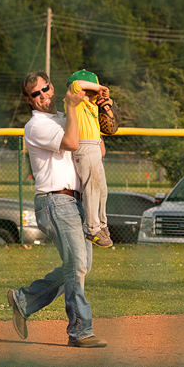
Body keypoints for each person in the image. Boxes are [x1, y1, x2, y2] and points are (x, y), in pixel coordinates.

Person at [5, 71, 106, 348]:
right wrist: (73, 108)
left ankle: (24, 300)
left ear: (52, 85)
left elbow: (99, 150)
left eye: (46, 88)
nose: (43, 96)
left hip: (77, 201)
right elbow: (73, 143)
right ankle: (80, 331)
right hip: (55, 201)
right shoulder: (36, 126)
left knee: (80, 266)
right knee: (77, 265)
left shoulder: (66, 116)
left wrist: (90, 112)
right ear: (29, 99)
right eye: (36, 93)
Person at [66, 69, 114, 247]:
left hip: (93, 147)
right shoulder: (74, 102)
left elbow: (101, 147)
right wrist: (99, 86)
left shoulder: (94, 106)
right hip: (84, 147)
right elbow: (75, 86)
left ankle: (101, 225)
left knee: (102, 190)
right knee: (92, 188)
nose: (92, 95)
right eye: (90, 92)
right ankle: (92, 228)